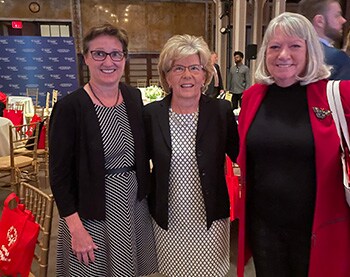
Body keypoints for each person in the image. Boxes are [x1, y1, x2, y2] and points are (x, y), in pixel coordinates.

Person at [236, 12, 350, 277]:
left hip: (318, 227)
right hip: (264, 227)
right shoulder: (253, 96)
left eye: (295, 46)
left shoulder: (335, 94)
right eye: (275, 46)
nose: (283, 54)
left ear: (310, 50)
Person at [49, 23, 158, 276]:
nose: (108, 61)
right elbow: (59, 175)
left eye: (115, 53)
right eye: (99, 53)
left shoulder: (133, 97)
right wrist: (76, 228)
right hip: (91, 211)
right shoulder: (70, 107)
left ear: (124, 58)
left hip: (133, 206)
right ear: (86, 58)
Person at [143, 34, 239, 277]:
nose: (187, 75)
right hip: (168, 216)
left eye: (195, 67)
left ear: (205, 75)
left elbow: (240, 154)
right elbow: (140, 163)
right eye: (178, 68)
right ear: (167, 76)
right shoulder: (151, 114)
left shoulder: (220, 111)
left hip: (210, 218)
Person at [299, 0, 350, 80]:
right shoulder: (338, 58)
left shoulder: (294, 54)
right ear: (319, 21)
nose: (343, 20)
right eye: (337, 16)